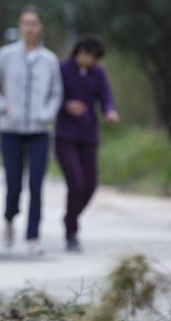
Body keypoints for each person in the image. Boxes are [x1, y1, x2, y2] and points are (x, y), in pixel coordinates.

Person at [0, 5, 63, 255]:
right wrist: (2, 106)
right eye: (25, 23)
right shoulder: (5, 55)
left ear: (40, 27)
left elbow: (57, 93)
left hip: (39, 130)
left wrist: (47, 114)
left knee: (37, 184)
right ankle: (9, 218)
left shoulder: (49, 60)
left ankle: (33, 236)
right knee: (14, 183)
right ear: (19, 26)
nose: (29, 28)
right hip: (10, 129)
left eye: (34, 23)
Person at [55, 35, 119, 252]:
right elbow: (52, 97)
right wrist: (66, 106)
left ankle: (69, 217)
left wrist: (109, 111)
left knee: (90, 186)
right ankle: (71, 232)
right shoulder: (62, 69)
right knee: (76, 183)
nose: (95, 62)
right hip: (65, 136)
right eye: (93, 57)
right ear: (81, 52)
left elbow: (106, 96)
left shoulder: (98, 73)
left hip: (88, 135)